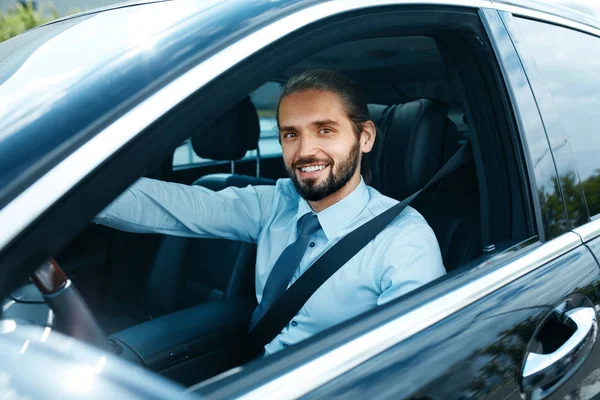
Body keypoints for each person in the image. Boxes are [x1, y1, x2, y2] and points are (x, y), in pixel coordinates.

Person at [94, 70, 445, 356]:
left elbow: (410, 367)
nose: (306, 151)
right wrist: (70, 192)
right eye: (291, 134)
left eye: (325, 130)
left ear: (364, 137)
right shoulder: (276, 203)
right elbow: (170, 207)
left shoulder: (403, 241)